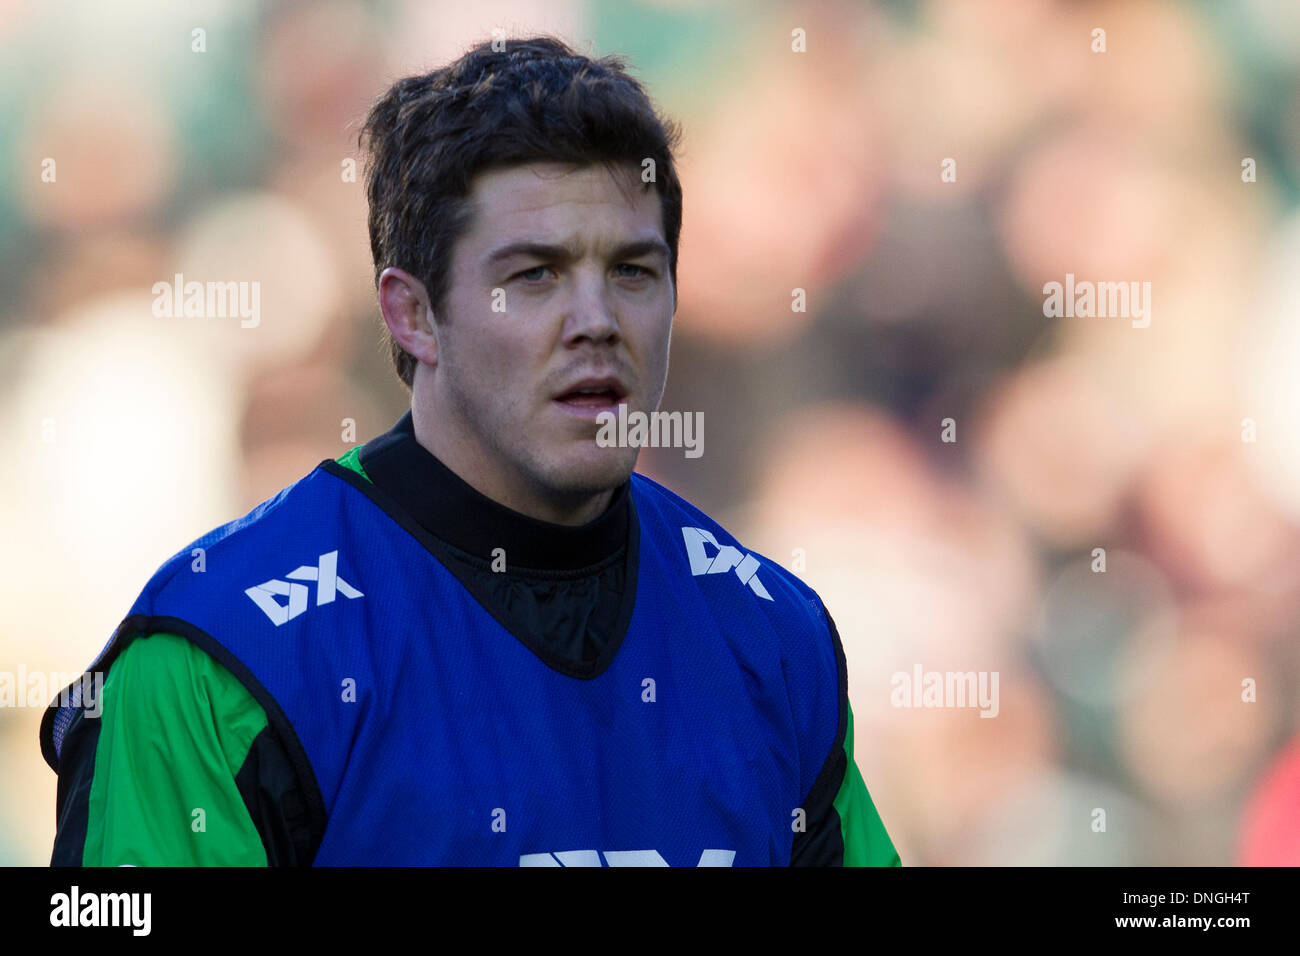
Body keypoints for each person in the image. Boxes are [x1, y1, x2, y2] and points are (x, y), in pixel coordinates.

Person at [41, 35, 900, 867]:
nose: (597, 321)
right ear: (411, 315)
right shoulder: (220, 659)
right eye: (534, 275)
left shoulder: (773, 637)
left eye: (634, 272)